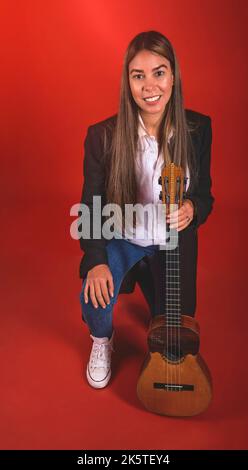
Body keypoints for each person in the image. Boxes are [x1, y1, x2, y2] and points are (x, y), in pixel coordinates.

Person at [78, 31, 214, 389]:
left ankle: (152, 295)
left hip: (172, 244)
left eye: (159, 72)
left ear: (173, 77)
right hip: (123, 238)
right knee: (94, 298)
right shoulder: (102, 136)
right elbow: (91, 203)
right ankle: (102, 341)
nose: (149, 85)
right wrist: (95, 260)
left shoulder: (197, 129)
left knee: (175, 328)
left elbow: (205, 196)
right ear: (128, 81)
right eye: (138, 75)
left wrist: (192, 208)